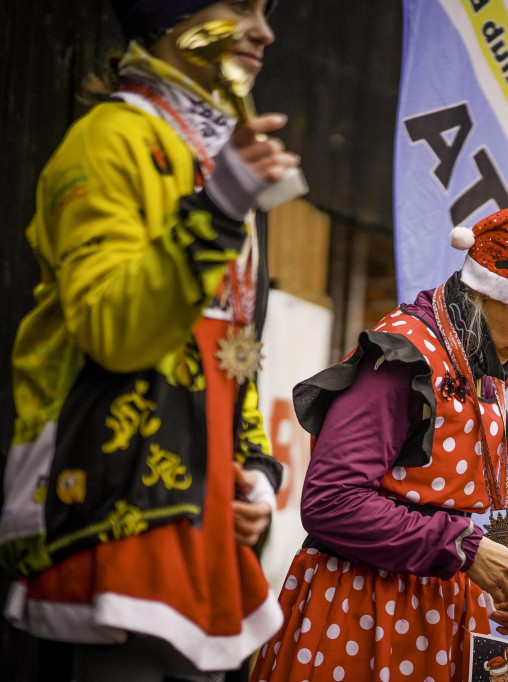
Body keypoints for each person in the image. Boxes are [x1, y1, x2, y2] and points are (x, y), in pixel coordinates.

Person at [0, 1, 300, 679]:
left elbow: (230, 352)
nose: (264, 32)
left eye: (267, 9)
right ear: (175, 15)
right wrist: (220, 211)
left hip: (201, 514)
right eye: (241, 7)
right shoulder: (109, 139)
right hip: (110, 509)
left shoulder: (216, 158)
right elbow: (113, 333)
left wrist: (251, 471)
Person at [249, 201, 508, 682]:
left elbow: (464, 505)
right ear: (492, 293)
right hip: (363, 613)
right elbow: (331, 503)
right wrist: (464, 549)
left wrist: (499, 574)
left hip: (436, 613)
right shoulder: (403, 358)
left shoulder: (486, 367)